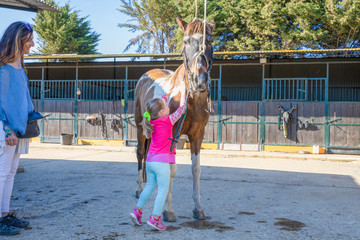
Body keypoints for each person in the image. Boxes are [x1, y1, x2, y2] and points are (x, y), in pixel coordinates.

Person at [130, 92, 187, 231]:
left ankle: (137, 211)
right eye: (166, 107)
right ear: (162, 111)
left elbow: (159, 105)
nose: (169, 108)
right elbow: (182, 109)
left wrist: (165, 96)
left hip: (150, 161)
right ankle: (155, 218)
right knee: (163, 190)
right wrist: (184, 94)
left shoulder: (151, 121)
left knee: (149, 187)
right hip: (162, 162)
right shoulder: (168, 120)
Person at [0, 21, 35, 236]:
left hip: (20, 128)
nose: (32, 44)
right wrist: (7, 129)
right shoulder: (3, 70)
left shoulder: (19, 66)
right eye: (29, 40)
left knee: (10, 173)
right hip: (7, 129)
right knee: (2, 173)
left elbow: (22, 98)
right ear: (17, 41)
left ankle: (4, 214)